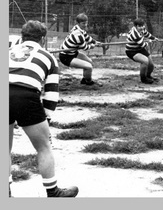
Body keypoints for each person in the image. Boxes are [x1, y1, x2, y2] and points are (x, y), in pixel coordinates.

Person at [9, 20, 79, 197]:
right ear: (43, 39)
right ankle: (53, 191)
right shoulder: (48, 57)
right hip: (26, 96)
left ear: (22, 36)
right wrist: (45, 119)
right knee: (44, 147)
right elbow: (51, 94)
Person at [58, 13, 100, 86]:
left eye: (86, 23)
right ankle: (89, 82)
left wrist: (96, 42)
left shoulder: (79, 28)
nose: (85, 25)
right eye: (83, 23)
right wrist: (92, 46)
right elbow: (85, 47)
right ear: (78, 23)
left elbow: (87, 37)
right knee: (88, 66)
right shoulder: (77, 34)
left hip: (73, 53)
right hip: (65, 57)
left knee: (90, 62)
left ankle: (84, 79)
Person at [125, 18, 158, 84]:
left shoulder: (142, 29)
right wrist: (149, 42)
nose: (142, 27)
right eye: (139, 26)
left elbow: (146, 34)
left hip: (140, 48)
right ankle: (143, 79)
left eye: (143, 25)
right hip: (131, 51)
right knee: (145, 61)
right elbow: (143, 45)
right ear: (135, 26)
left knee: (151, 64)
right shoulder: (134, 34)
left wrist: (154, 38)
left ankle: (148, 76)